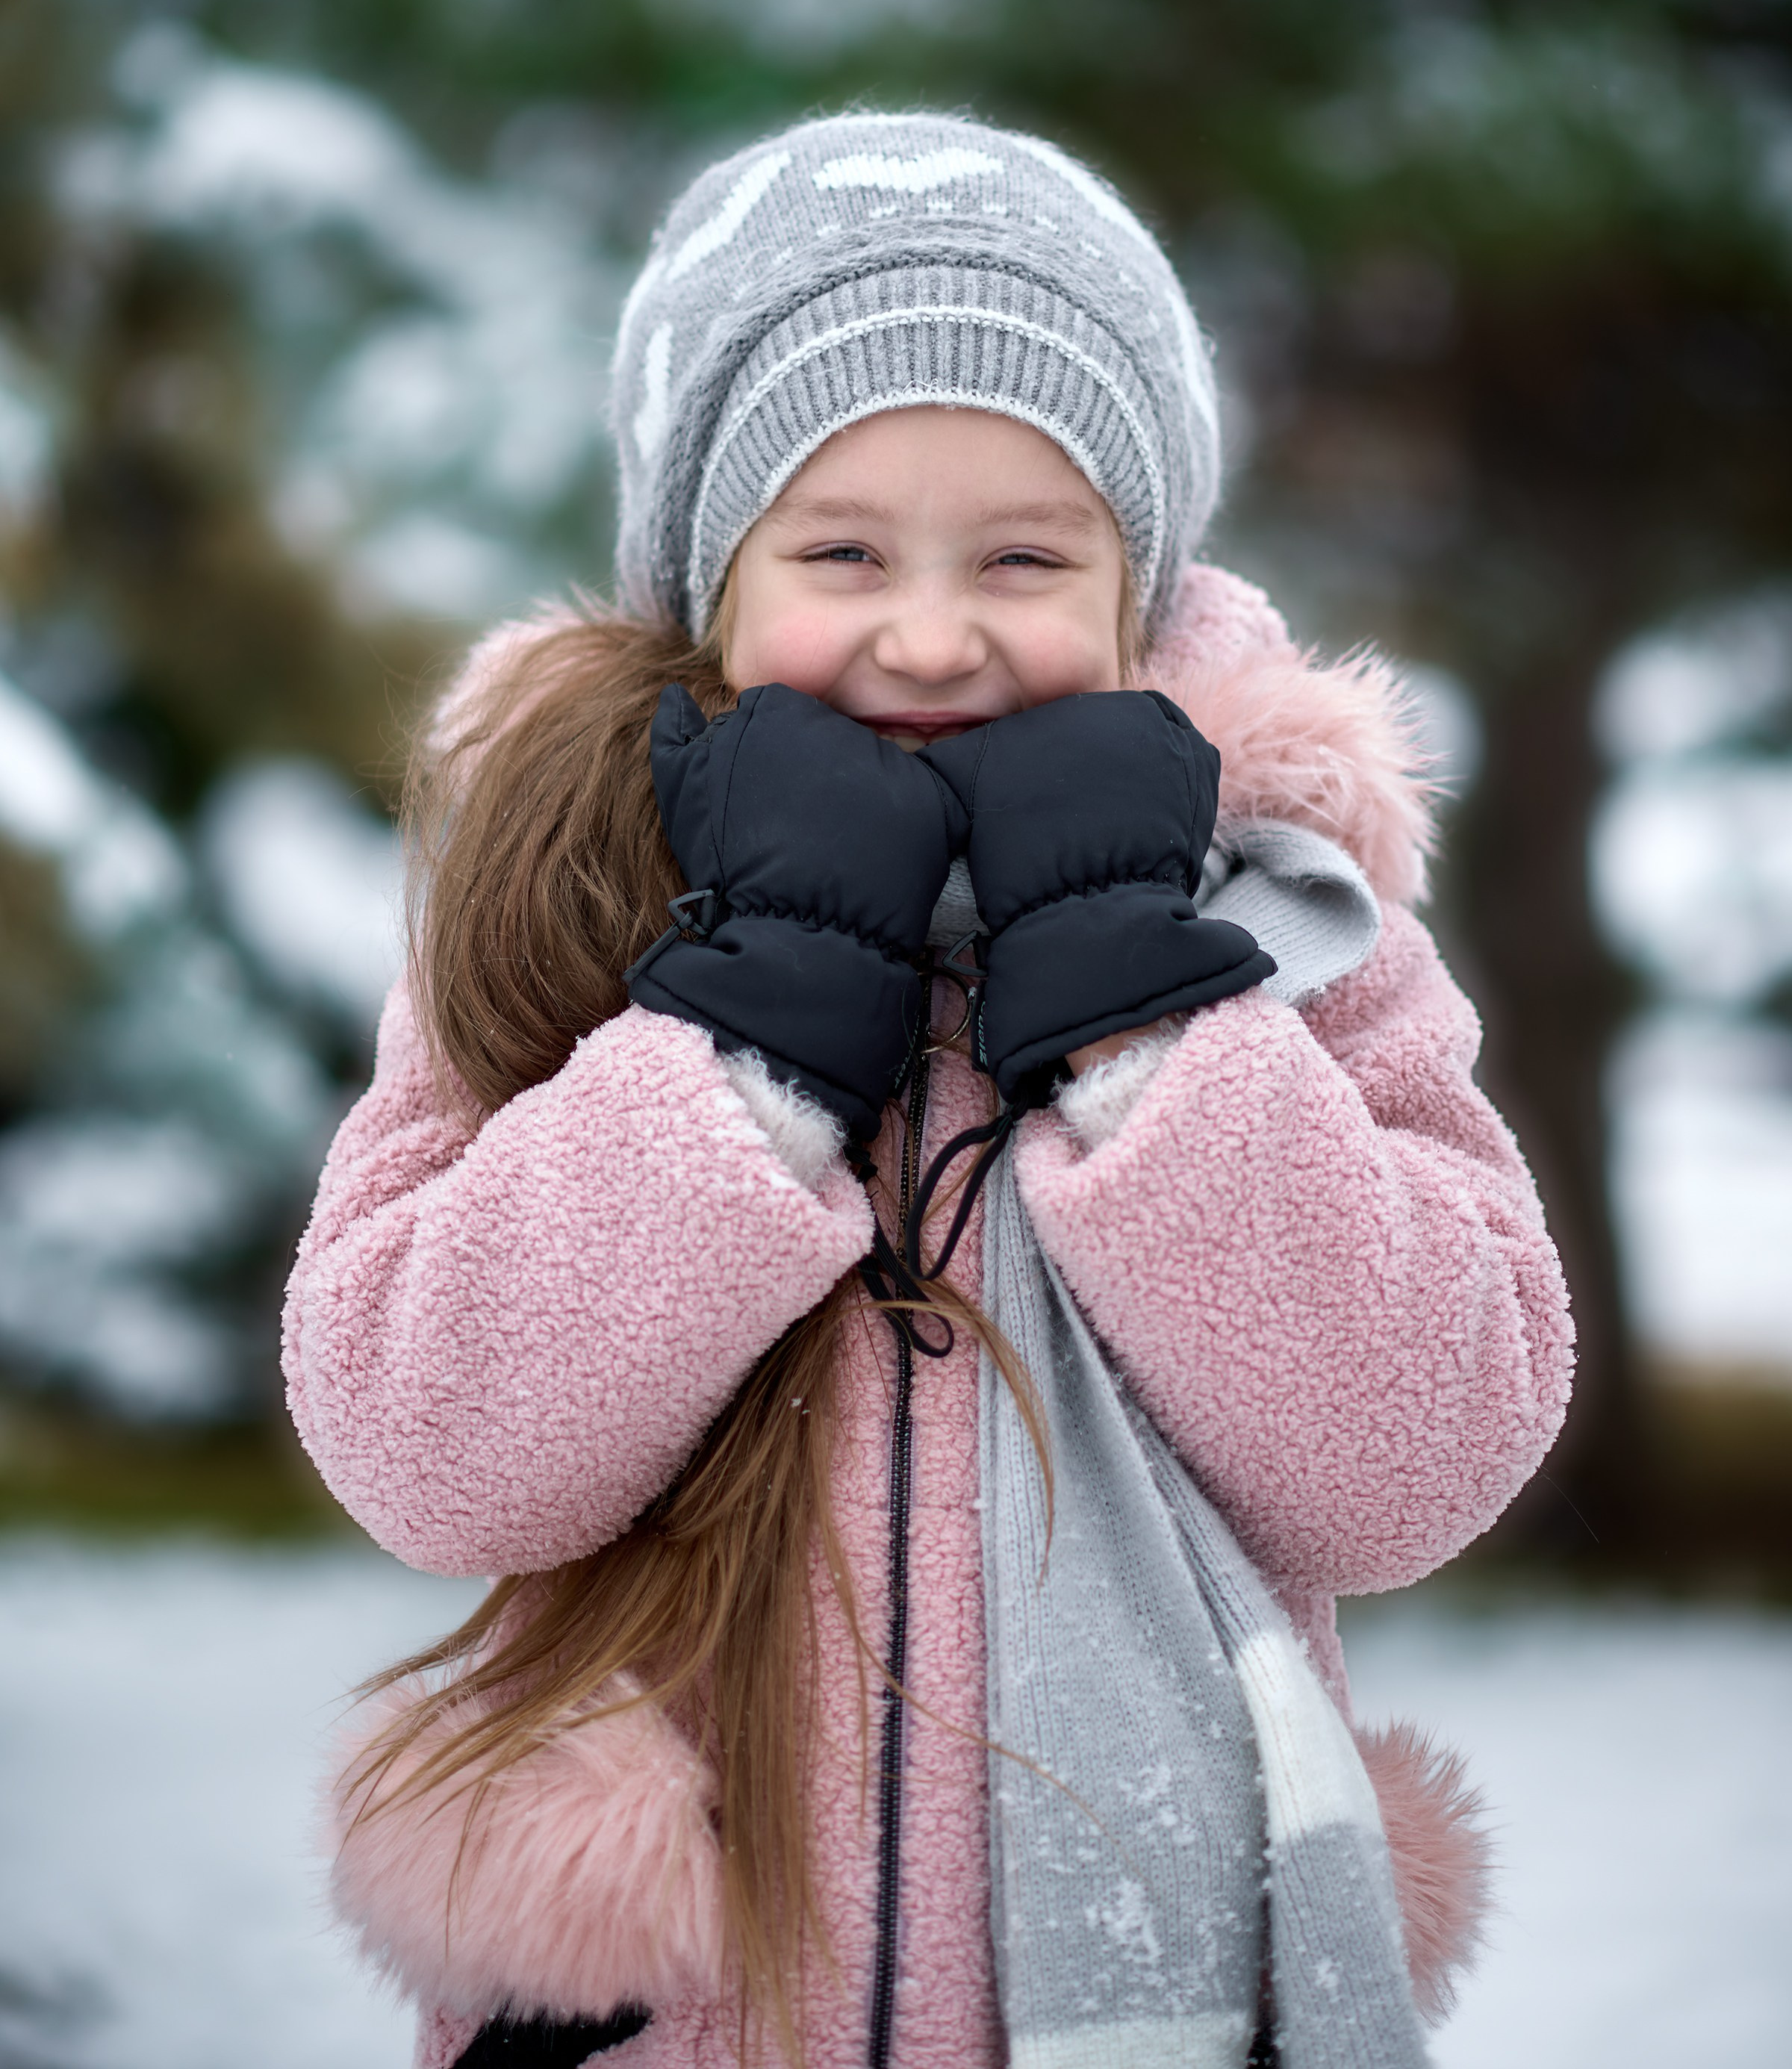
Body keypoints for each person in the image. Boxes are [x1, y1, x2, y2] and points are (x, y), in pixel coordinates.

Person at [285, 113, 1573, 2069]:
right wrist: (747, 1043)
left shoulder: (1284, 915)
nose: (935, 629)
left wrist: (1154, 1025)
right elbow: (422, 1440)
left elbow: (1422, 1455)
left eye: (1027, 556)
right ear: (712, 580)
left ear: (1140, 586)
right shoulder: (570, 899)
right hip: (684, 2006)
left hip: (1162, 1962)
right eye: (842, 553)